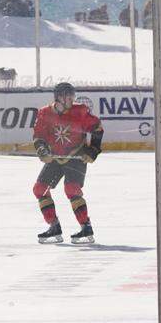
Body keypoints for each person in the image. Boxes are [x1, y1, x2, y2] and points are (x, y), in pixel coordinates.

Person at [33, 82, 103, 245]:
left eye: (73, 95)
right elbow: (39, 137)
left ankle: (86, 227)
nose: (72, 99)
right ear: (59, 98)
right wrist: (42, 151)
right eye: (68, 96)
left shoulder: (80, 111)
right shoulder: (44, 113)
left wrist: (93, 150)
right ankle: (54, 226)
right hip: (55, 157)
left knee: (71, 189)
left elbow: (97, 129)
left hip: (76, 155)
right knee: (40, 190)